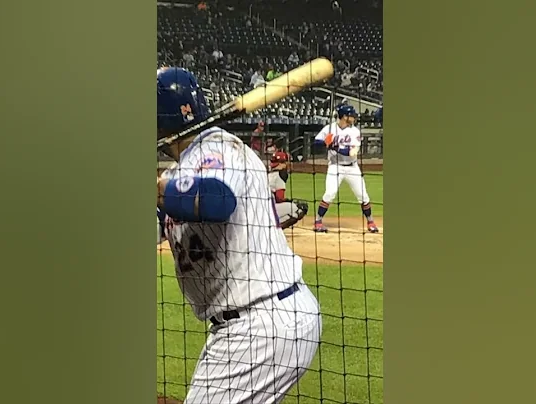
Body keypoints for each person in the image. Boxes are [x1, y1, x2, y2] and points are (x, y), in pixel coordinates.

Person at [155, 67, 321, 404]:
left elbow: (218, 199)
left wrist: (159, 190)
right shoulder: (182, 168)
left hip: (260, 325)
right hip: (254, 325)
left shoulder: (218, 149)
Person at [312, 104, 379, 233]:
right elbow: (315, 142)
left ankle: (370, 221)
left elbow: (352, 152)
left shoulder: (355, 131)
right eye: (351, 116)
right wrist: (325, 142)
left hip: (352, 168)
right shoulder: (330, 128)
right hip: (334, 167)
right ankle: (318, 221)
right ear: (344, 117)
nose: (353, 118)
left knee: (363, 195)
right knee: (329, 193)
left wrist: (334, 147)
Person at [268, 150, 309, 229]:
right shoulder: (279, 175)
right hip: (269, 210)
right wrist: (289, 201)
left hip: (260, 209)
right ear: (281, 164)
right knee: (300, 209)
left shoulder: (269, 174)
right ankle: (276, 229)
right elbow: (279, 199)